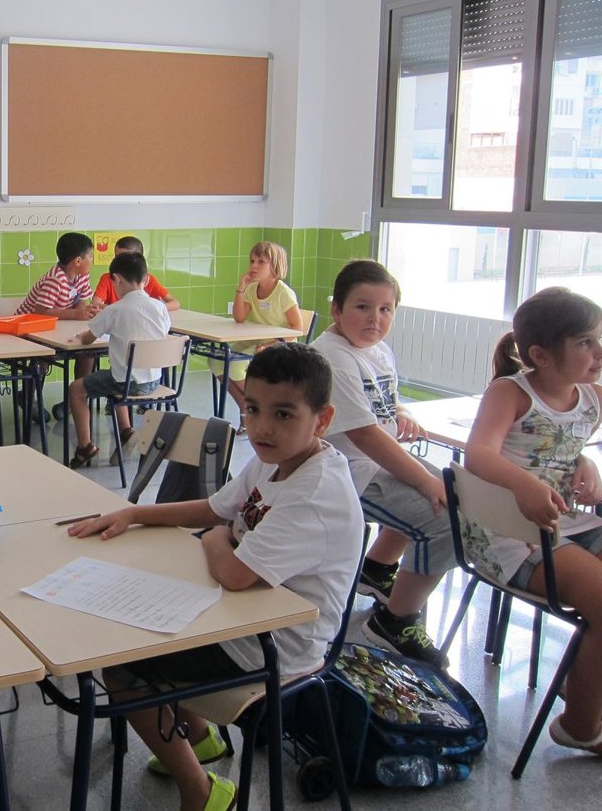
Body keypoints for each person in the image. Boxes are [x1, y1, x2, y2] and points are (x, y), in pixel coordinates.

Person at [68, 343, 362, 811]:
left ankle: (202, 793)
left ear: (322, 420)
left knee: (123, 668)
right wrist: (133, 513)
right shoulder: (274, 458)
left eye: (283, 414)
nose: (262, 427)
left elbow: (233, 571)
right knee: (140, 624)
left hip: (278, 644)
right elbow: (214, 509)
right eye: (253, 409)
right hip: (236, 616)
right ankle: (200, 740)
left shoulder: (314, 492)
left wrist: (216, 538)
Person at [464, 287, 602, 754]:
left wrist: (586, 462)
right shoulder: (510, 392)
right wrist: (524, 486)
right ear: (541, 355)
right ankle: (580, 726)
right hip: (513, 535)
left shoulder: (592, 397)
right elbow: (479, 453)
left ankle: (583, 678)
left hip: (567, 523)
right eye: (586, 342)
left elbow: (560, 446)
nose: (599, 352)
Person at [313, 260, 452, 666]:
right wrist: (424, 482)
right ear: (336, 309)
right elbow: (364, 435)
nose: (375, 319)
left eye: (385, 309)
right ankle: (393, 622)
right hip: (347, 472)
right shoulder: (332, 357)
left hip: (375, 461)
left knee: (450, 489)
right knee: (445, 519)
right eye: (362, 307)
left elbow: (379, 405)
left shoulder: (377, 350)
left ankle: (376, 567)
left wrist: (400, 412)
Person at [66, 251, 171, 469]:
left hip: (127, 383)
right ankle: (126, 432)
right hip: (155, 382)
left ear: (117, 279)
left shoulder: (115, 309)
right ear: (146, 280)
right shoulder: (160, 307)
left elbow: (88, 339)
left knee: (76, 389)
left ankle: (85, 446)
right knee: (116, 375)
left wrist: (81, 336)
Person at [212, 241, 302, 432]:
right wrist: (241, 288)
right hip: (254, 340)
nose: (254, 266)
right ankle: (246, 405)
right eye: (252, 261)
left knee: (235, 366)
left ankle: (263, 403)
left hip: (277, 344)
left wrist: (272, 344)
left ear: (275, 265)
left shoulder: (284, 293)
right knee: (216, 361)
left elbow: (297, 329)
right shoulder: (252, 289)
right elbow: (239, 318)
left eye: (261, 262)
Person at [18, 232, 99, 416]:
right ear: (78, 261)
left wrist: (84, 312)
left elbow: (81, 300)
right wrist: (76, 314)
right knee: (43, 356)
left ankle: (75, 400)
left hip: (59, 328)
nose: (92, 260)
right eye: (90, 256)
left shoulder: (82, 276)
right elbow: (41, 311)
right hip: (31, 329)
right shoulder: (55, 279)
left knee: (87, 353)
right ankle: (28, 396)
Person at [90, 235, 180, 311]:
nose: (120, 262)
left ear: (139, 259)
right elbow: (95, 304)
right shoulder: (109, 278)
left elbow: (175, 303)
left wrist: (158, 307)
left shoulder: (148, 279)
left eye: (125, 259)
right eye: (117, 257)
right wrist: (127, 309)